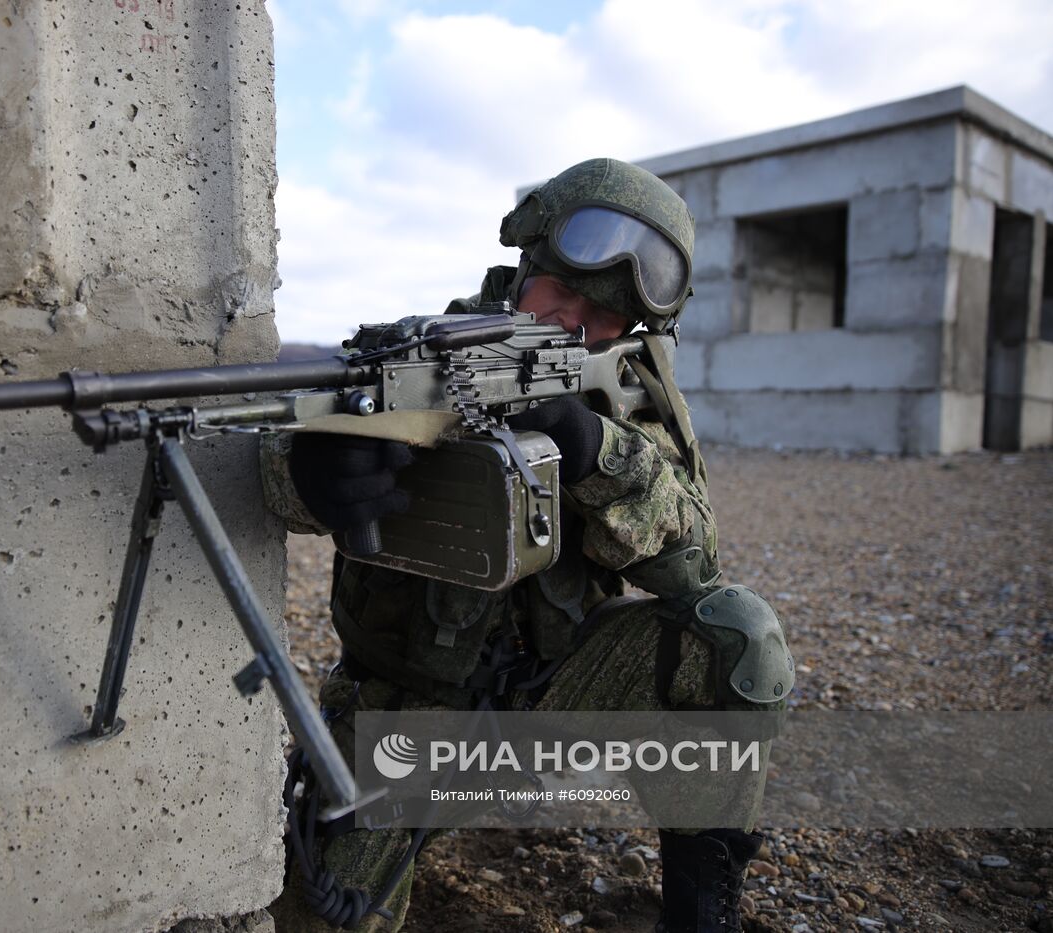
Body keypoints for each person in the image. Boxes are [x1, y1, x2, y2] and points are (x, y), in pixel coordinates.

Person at [262, 158, 794, 933]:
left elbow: (695, 559)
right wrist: (313, 470)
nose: (572, 322)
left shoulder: (625, 389)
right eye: (561, 292)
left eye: (603, 316)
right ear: (523, 267)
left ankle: (703, 914)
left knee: (739, 637)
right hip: (407, 715)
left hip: (557, 697)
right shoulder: (418, 361)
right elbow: (274, 461)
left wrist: (593, 450)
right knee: (325, 913)